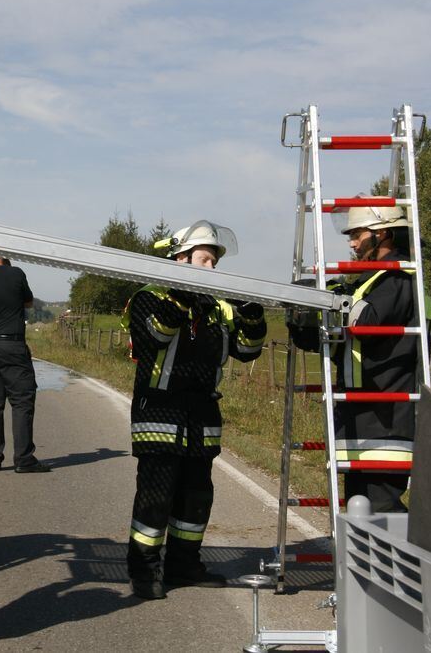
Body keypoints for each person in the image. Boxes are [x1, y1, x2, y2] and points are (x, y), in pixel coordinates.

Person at [122, 221, 267, 600]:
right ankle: (144, 570)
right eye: (204, 260)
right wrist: (182, 295)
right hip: (160, 413)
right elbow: (154, 335)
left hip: (202, 415)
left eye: (215, 263)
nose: (212, 270)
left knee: (196, 496)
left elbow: (248, 351)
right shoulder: (149, 296)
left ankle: (184, 565)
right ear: (180, 258)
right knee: (155, 496)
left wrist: (252, 315)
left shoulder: (219, 307)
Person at [288, 200, 417, 513]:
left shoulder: (396, 276)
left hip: (385, 414)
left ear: (382, 233)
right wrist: (307, 324)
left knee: (382, 509)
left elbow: (366, 322)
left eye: (358, 234)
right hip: (361, 412)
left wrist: (328, 301)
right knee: (359, 507)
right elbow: (347, 345)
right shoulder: (371, 281)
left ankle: (399, 564)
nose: (352, 242)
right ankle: (362, 564)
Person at [0, 254, 49, 473]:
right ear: (6, 257)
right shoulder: (16, 274)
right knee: (22, 401)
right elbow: (29, 302)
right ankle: (23, 459)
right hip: (12, 345)